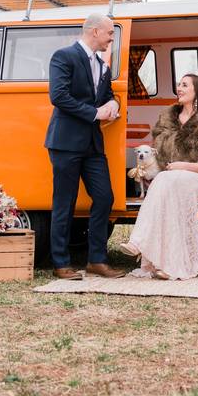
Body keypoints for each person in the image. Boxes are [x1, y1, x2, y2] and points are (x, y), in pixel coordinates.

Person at [118, 74, 198, 279]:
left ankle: (140, 242)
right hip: (171, 178)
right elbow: (156, 153)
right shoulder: (167, 117)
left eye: (185, 85)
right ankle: (163, 265)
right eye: (179, 84)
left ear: (197, 93)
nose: (179, 88)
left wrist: (182, 166)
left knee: (169, 180)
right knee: (167, 185)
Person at [45, 14, 126, 280]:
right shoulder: (63, 56)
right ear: (94, 32)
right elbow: (58, 96)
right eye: (109, 34)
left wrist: (113, 103)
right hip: (65, 143)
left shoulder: (102, 65)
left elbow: (106, 95)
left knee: (104, 197)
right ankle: (61, 264)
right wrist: (95, 113)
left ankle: (97, 260)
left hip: (92, 145)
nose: (111, 39)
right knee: (64, 203)